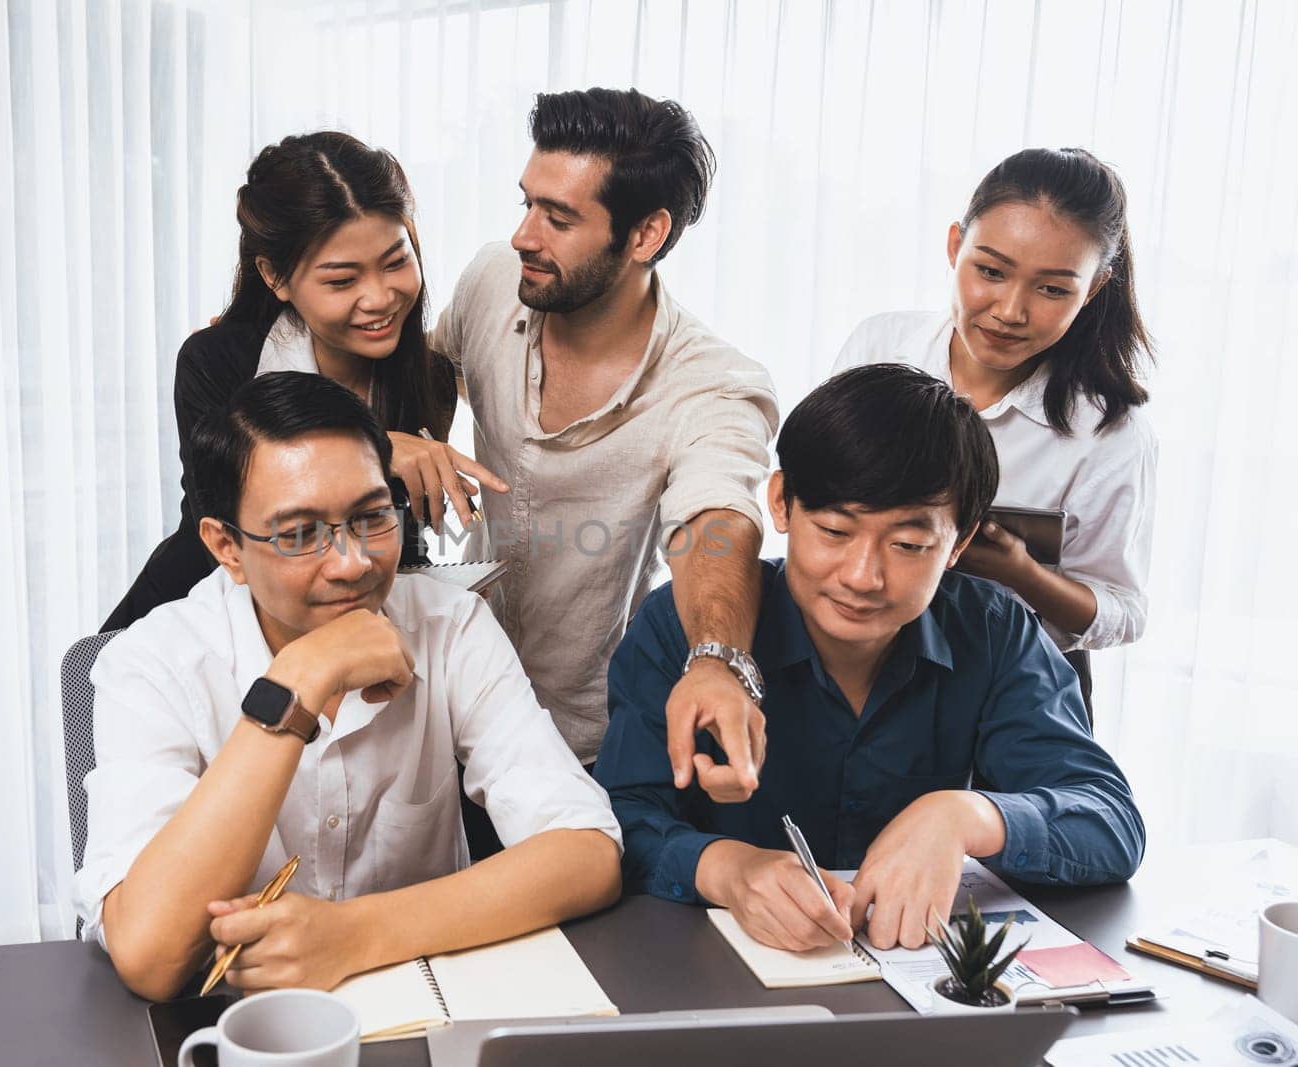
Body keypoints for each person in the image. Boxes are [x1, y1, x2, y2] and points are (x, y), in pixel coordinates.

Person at [76, 373, 621, 1002]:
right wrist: (298, 683)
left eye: (370, 517)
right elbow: (152, 957)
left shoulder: (451, 627)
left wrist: (353, 935)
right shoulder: (150, 663)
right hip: (238, 1028)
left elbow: (587, 854)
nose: (353, 563)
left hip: (427, 1005)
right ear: (225, 545)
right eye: (299, 534)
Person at [594, 364, 1144, 953]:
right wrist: (729, 870)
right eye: (833, 531)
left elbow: (1109, 821)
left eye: (908, 545)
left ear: (957, 544)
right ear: (781, 504)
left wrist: (962, 815)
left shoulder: (993, 630)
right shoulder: (682, 629)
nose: (863, 576)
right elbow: (618, 817)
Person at [434, 88, 780, 801]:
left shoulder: (712, 384)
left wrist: (716, 660)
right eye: (526, 202)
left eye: (557, 217)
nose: (525, 235)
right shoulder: (493, 280)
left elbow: (715, 523)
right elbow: (435, 372)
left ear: (645, 236)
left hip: (581, 747)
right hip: (448, 709)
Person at [103, 131, 507, 633]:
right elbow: (231, 539)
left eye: (396, 262)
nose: (380, 297)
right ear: (274, 276)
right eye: (342, 280)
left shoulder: (430, 379)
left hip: (332, 636)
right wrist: (375, 451)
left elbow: (397, 543)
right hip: (191, 623)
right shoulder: (217, 359)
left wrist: (438, 594)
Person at [833, 147, 1158, 711]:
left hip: (1015, 691)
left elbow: (1122, 612)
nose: (1010, 310)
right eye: (990, 271)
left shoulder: (1108, 431)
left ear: (1095, 288)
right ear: (955, 246)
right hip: (862, 659)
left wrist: (1019, 574)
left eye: (1053, 289)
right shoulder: (879, 345)